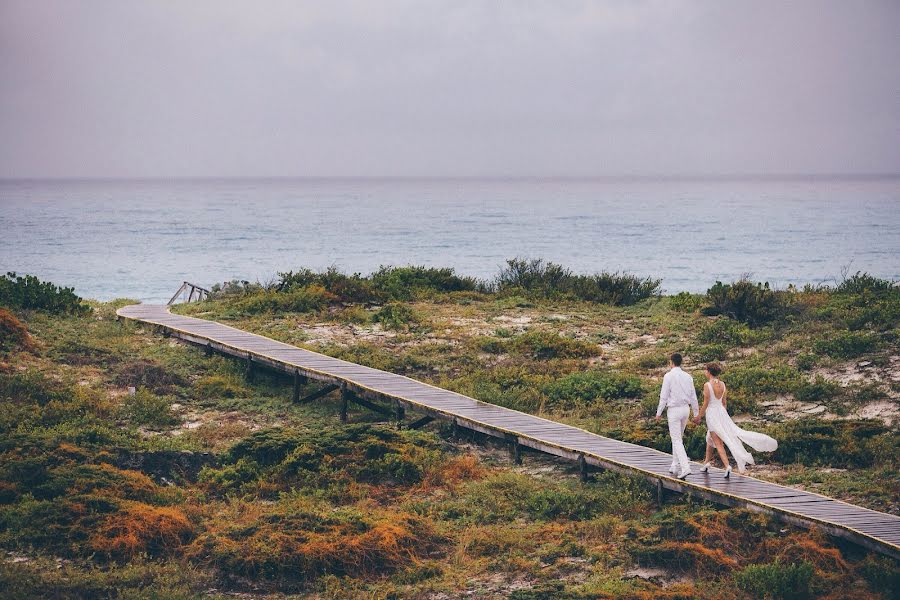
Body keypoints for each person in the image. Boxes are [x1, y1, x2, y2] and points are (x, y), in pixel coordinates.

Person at [694, 362, 778, 478]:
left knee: (718, 442)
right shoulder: (723, 384)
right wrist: (723, 417)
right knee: (710, 439)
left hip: (712, 414)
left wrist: (699, 416)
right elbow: (724, 403)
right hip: (722, 413)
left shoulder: (707, 385)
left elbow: (706, 403)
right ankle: (706, 463)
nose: (705, 372)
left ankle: (727, 466)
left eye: (705, 370)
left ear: (708, 372)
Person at [655, 353, 699, 479]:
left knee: (676, 439)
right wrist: (696, 413)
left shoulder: (668, 376)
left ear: (671, 362)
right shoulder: (688, 376)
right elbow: (693, 397)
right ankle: (674, 464)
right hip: (686, 409)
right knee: (678, 438)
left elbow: (663, 396)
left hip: (674, 410)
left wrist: (659, 412)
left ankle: (685, 467)